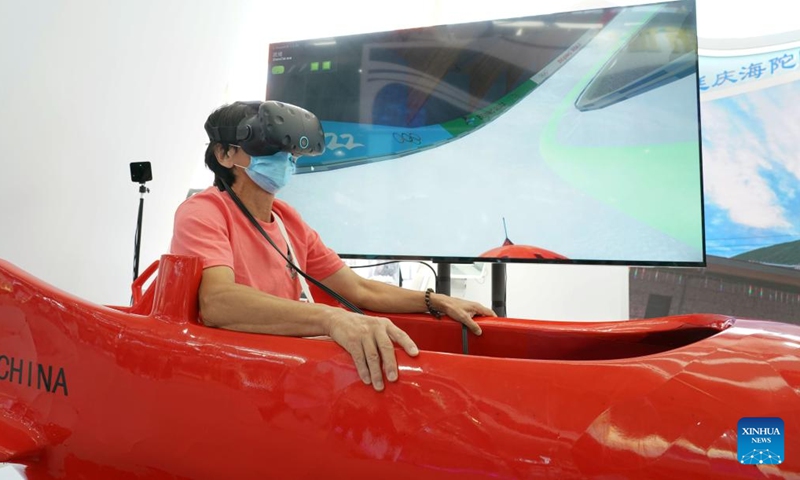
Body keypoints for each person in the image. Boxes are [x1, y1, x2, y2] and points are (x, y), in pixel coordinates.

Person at [170, 101, 495, 392]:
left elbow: (357, 289)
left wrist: (433, 300)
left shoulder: (287, 220)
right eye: (268, 149)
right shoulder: (204, 211)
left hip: (280, 372)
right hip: (227, 377)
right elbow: (217, 301)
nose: (285, 160)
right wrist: (330, 319)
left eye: (289, 152)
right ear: (224, 154)